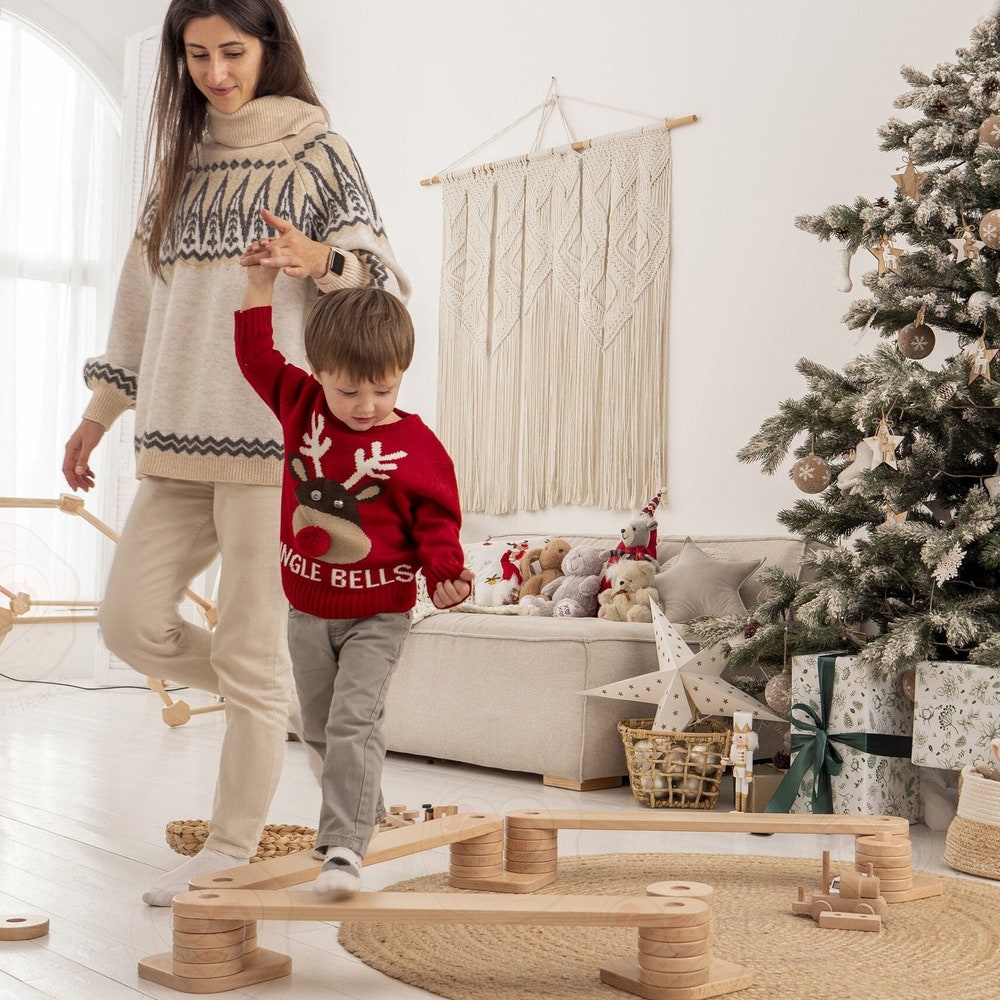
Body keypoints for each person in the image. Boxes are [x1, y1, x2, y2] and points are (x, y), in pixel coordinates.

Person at [60, 0, 409, 906]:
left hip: (278, 449)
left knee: (255, 654)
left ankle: (229, 849)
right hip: (174, 441)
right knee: (129, 624)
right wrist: (99, 414)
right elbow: (139, 305)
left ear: (270, 50)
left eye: (233, 52)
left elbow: (381, 277)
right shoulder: (177, 170)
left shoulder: (315, 153)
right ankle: (288, 699)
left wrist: (317, 257)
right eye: (198, 55)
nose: (216, 72)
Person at [235, 258, 472, 896]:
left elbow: (436, 522)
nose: (366, 407)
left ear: (401, 377)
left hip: (379, 613)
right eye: (348, 392)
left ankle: (343, 846)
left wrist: (445, 572)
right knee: (316, 726)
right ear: (319, 375)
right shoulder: (300, 404)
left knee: (354, 723)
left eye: (384, 390)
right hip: (307, 609)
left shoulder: (418, 447)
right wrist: (259, 287)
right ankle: (371, 814)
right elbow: (258, 357)